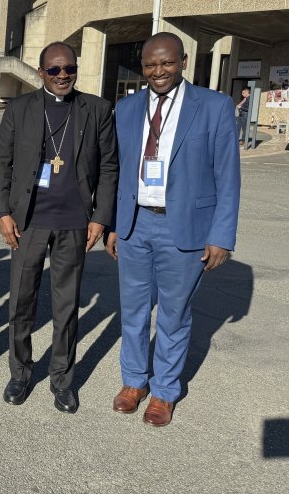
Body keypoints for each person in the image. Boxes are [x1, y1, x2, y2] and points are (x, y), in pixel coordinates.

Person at [106, 32, 240, 427]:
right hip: (135, 224)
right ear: (142, 67)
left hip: (186, 227)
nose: (158, 71)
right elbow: (117, 173)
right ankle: (133, 381)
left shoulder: (214, 107)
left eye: (166, 63)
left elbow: (227, 176)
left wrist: (221, 236)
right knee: (131, 310)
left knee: (174, 314)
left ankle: (164, 390)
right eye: (150, 64)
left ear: (183, 62)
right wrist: (115, 224)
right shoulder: (127, 109)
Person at [0, 41, 118, 414]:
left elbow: (110, 167)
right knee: (21, 302)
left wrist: (100, 217)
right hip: (28, 221)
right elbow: (3, 163)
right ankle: (20, 373)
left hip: (74, 222)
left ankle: (62, 379)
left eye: (69, 69)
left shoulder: (97, 109)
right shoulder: (19, 109)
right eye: (54, 70)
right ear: (41, 71)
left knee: (66, 305)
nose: (63, 76)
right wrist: (3, 213)